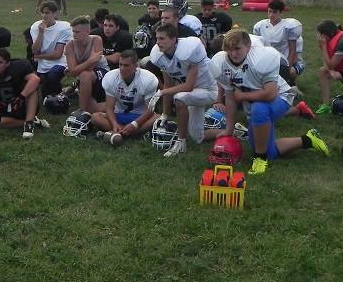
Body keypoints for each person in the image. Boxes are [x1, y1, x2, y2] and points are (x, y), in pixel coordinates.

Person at [209, 29, 330, 175]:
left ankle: (260, 158)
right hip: (256, 103)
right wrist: (229, 129)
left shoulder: (260, 59)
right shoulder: (221, 63)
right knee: (269, 150)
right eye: (229, 49)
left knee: (259, 110)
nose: (233, 53)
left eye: (237, 48)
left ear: (248, 46)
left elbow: (270, 94)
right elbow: (230, 97)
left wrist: (242, 97)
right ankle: (308, 139)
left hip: (281, 96)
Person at [147, 24, 218, 157]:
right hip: (191, 94)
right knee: (198, 137)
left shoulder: (189, 51)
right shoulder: (160, 56)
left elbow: (188, 86)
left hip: (207, 90)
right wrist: (165, 115)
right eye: (157, 38)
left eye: (162, 39)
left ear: (174, 39)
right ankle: (231, 131)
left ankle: (181, 142)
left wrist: (161, 92)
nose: (158, 42)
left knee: (180, 98)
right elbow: (168, 84)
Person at [0, 48, 49, 139]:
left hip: (19, 104)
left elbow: (35, 79)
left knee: (32, 91)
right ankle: (31, 123)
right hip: (0, 105)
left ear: (7, 63)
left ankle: (29, 124)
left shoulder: (17, 68)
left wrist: (21, 97)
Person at [91, 49, 159, 143]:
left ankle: (118, 133)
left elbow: (150, 110)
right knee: (96, 117)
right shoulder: (111, 77)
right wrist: (114, 124)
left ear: (136, 66)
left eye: (126, 65)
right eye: (120, 65)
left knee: (157, 118)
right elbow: (109, 108)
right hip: (119, 114)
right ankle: (130, 133)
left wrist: (134, 124)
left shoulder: (148, 79)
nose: (122, 68)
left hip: (139, 116)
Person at [252, 0, 304, 84]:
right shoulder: (260, 26)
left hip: (287, 60)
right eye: (269, 11)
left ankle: (290, 83)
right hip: (269, 59)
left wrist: (287, 69)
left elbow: (292, 51)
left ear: (280, 13)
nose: (271, 15)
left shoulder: (288, 27)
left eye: (275, 12)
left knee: (290, 72)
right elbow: (258, 48)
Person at [64, 17, 108, 113]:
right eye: (73, 31)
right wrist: (89, 61)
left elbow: (89, 68)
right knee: (92, 108)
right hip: (84, 78)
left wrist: (76, 68)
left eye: (77, 32)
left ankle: (81, 111)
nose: (74, 35)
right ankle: (87, 108)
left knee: (85, 74)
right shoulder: (70, 45)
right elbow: (73, 72)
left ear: (88, 31)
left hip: (102, 73)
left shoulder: (96, 39)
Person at [30, 1, 71, 97]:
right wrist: (41, 33)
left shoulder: (63, 27)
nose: (44, 15)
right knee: (45, 89)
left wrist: (39, 56)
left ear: (55, 13)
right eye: (43, 12)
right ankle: (56, 94)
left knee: (53, 75)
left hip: (60, 62)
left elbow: (57, 54)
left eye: (47, 13)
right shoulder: (36, 27)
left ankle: (59, 96)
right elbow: (35, 50)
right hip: (43, 63)